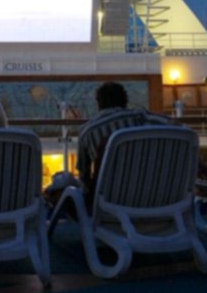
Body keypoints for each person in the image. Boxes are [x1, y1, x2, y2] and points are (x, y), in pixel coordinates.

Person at [45, 82, 170, 214]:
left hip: (110, 206)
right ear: (125, 101)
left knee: (60, 188)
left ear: (99, 103)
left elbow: (84, 176)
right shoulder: (142, 117)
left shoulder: (88, 131)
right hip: (158, 199)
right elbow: (176, 125)